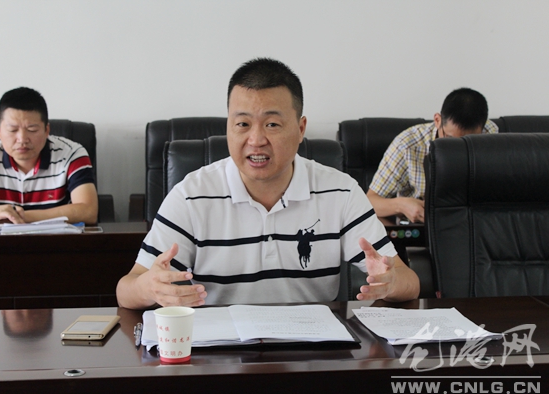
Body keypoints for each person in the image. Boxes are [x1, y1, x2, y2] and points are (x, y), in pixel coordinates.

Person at [116, 58, 419, 309]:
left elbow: (410, 282)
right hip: (219, 353)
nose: (256, 140)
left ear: (300, 129)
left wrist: (391, 281)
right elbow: (126, 289)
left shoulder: (340, 191)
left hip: (312, 351)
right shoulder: (191, 196)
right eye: (242, 124)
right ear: (228, 127)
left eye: (272, 124)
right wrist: (149, 287)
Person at [0, 87, 98, 225]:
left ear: (47, 130)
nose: (22, 139)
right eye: (12, 130)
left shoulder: (72, 154)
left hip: (53, 242)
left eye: (32, 129)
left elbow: (88, 211)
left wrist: (14, 217)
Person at [367, 88, 498, 223]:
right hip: (422, 226)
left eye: (467, 142)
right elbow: (370, 201)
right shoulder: (407, 145)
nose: (457, 150)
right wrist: (401, 205)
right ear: (437, 120)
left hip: (472, 223)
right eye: (450, 139)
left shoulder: (490, 135)